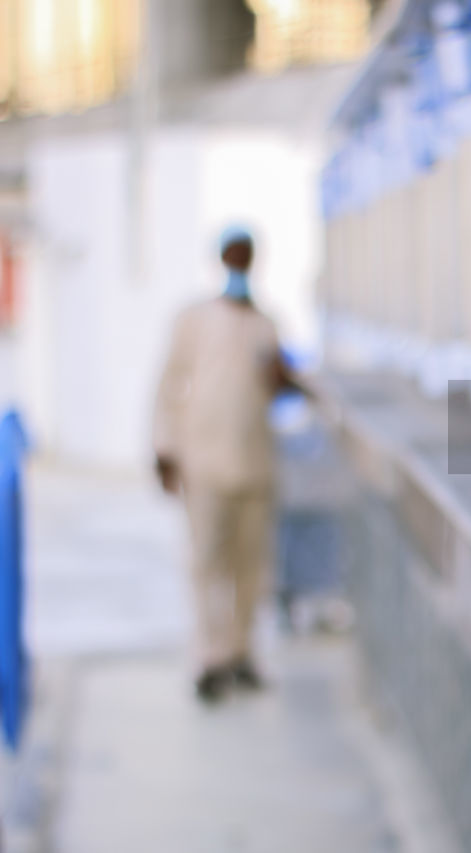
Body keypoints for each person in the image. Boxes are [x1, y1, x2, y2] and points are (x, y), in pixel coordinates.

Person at [153, 225, 300, 703]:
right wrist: (165, 450)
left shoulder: (266, 324)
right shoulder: (193, 320)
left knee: (250, 565)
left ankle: (240, 652)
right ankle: (210, 656)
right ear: (222, 260)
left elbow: (281, 388)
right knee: (206, 562)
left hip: (255, 464)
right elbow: (168, 386)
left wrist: (284, 377)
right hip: (205, 461)